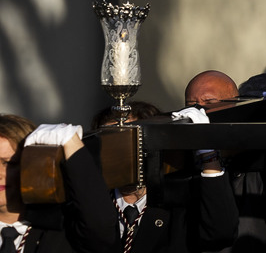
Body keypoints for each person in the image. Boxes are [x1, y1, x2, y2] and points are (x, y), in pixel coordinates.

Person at [183, 71, 266, 251]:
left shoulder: (263, 157)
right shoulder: (184, 158)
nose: (199, 110)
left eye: (209, 103)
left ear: (236, 105)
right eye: (191, 104)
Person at [90, 102, 239, 253]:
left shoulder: (179, 202)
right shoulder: (92, 204)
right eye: (110, 144)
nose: (119, 155)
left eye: (128, 143)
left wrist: (208, 155)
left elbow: (220, 234)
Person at [0, 115, 116, 253]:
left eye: (8, 163)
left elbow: (100, 226)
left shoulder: (66, 229)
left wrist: (70, 141)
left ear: (35, 164)